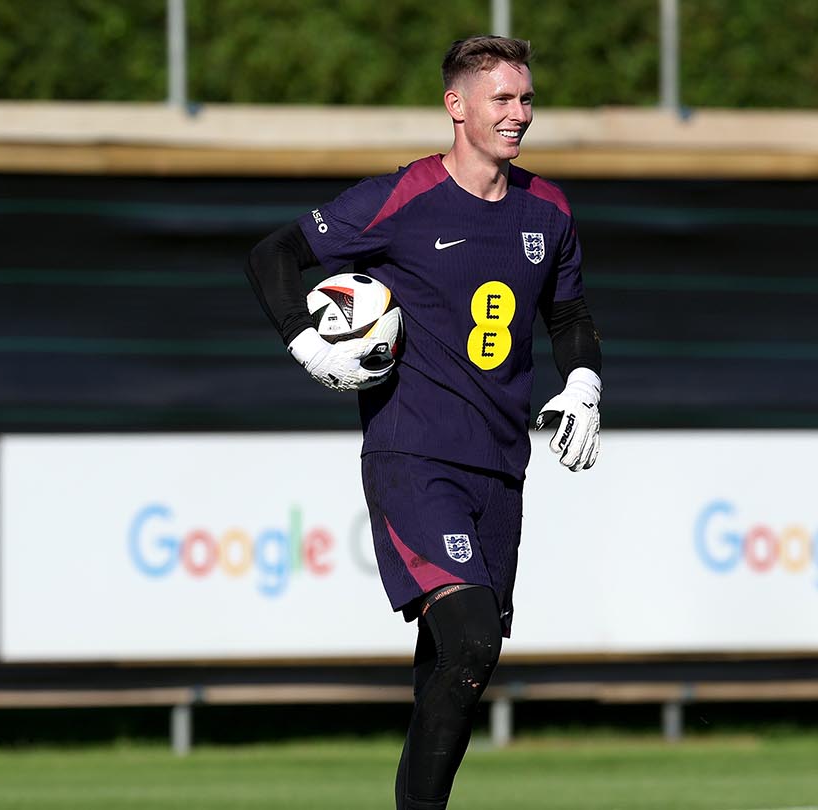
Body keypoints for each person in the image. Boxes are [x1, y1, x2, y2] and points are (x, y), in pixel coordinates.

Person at [245, 35, 603, 810]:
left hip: (502, 467)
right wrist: (305, 343)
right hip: (415, 456)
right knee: (470, 636)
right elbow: (272, 253)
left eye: (526, 99)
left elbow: (568, 311)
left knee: (458, 666)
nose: (518, 115)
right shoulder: (400, 199)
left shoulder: (549, 209)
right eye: (502, 100)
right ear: (457, 106)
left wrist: (582, 382)